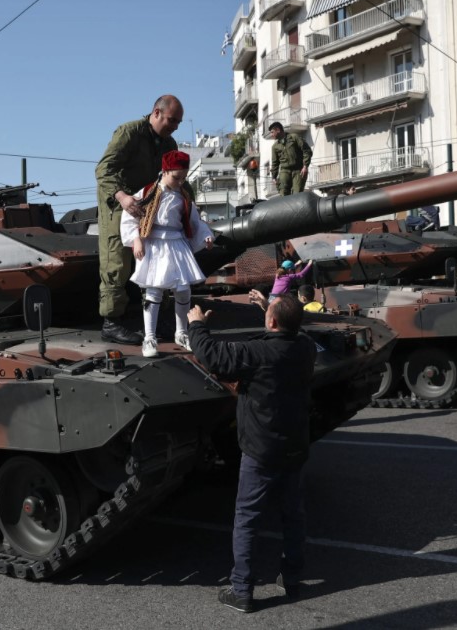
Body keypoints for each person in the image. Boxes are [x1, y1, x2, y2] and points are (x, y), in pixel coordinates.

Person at [187, 295, 317, 613]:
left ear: (272, 323)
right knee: (293, 516)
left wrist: (196, 326)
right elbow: (288, 331)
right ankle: (292, 579)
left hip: (260, 450)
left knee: (247, 519)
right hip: (295, 446)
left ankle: (242, 590)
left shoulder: (257, 353)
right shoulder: (305, 348)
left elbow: (214, 357)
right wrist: (269, 311)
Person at [96, 95, 185, 345]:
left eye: (178, 122)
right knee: (118, 262)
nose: (175, 126)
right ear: (156, 113)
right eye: (171, 120)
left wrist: (186, 205)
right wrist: (123, 197)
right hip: (118, 202)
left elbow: (174, 177)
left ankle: (157, 318)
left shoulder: (170, 143)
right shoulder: (129, 132)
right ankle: (111, 322)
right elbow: (104, 169)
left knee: (157, 259)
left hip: (148, 205)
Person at [120, 150, 214, 357]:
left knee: (183, 291)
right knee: (154, 291)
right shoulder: (147, 193)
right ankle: (149, 337)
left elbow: (194, 221)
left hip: (177, 243)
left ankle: (181, 333)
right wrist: (136, 239)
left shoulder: (184, 197)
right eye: (176, 177)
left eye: (183, 177)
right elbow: (130, 217)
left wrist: (205, 235)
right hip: (153, 243)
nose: (180, 181)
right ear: (164, 171)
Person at [268, 122, 313, 197]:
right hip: (285, 170)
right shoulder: (275, 147)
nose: (271, 135)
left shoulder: (294, 138)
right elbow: (275, 163)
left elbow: (307, 150)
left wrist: (305, 166)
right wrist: (274, 177)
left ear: (278, 130)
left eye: (272, 132)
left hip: (298, 169)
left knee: (297, 194)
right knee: (283, 193)